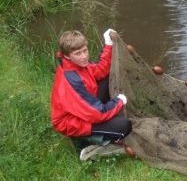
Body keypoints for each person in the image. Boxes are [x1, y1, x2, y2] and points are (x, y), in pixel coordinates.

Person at [51, 29, 132, 158]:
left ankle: (100, 130)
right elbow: (97, 114)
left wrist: (108, 43)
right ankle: (90, 145)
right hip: (71, 122)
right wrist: (119, 101)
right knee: (125, 127)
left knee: (106, 78)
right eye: (78, 53)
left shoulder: (77, 64)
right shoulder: (72, 79)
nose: (84, 56)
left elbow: (100, 71)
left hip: (83, 110)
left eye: (85, 51)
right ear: (67, 56)